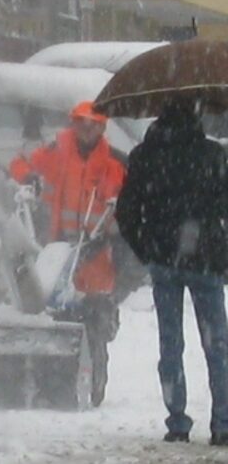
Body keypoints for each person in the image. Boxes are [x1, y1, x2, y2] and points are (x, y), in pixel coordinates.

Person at [116, 100, 228, 445]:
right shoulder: (213, 155)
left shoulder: (144, 156)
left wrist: (146, 248)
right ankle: (223, 422)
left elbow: (127, 212)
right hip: (206, 260)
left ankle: (177, 421)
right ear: (196, 117)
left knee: (170, 344)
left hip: (164, 261)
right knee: (217, 346)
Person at [10, 100, 125, 406]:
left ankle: (95, 381)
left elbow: (120, 205)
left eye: (92, 124)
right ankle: (52, 382)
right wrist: (27, 178)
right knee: (56, 317)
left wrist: (109, 230)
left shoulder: (111, 166)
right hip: (59, 248)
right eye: (80, 123)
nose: (85, 130)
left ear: (101, 128)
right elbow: (20, 163)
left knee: (94, 321)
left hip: (95, 254)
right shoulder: (56, 153)